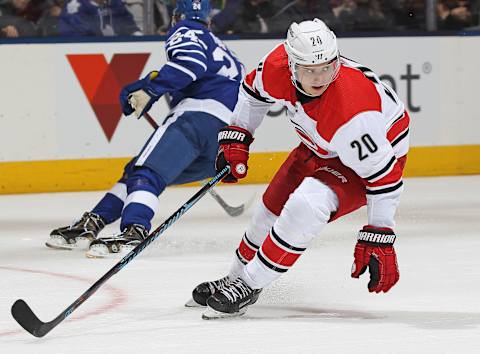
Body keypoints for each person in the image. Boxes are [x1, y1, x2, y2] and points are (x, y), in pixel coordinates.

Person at [190, 18, 410, 319]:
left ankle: (249, 285)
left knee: (305, 205)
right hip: (318, 146)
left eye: (327, 67)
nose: (320, 77)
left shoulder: (352, 113)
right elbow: (253, 92)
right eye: (309, 70)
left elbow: (384, 176)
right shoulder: (276, 65)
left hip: (366, 166)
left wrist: (380, 233)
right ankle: (235, 277)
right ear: (291, 66)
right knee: (268, 210)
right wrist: (239, 136)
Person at [46, 0, 244, 257]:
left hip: (196, 121)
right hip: (226, 141)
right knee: (137, 172)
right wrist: (149, 85)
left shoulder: (185, 30)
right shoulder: (224, 49)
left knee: (146, 174)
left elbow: (190, 65)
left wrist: (151, 89)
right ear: (209, 20)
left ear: (176, 17)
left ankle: (134, 229)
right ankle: (94, 221)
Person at [58, 0, 142, 36]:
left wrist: (135, 33)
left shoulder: (115, 2)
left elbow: (127, 22)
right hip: (85, 52)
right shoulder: (75, 7)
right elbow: (78, 36)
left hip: (115, 48)